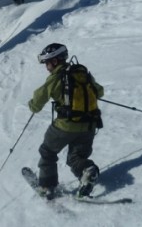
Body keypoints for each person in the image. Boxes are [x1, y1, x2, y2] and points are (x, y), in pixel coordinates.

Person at [28, 43, 104, 200]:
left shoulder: (56, 78)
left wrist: (32, 105)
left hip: (65, 126)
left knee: (47, 152)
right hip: (89, 125)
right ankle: (88, 171)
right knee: (76, 158)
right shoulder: (82, 73)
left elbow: (37, 101)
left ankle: (47, 187)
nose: (46, 67)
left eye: (47, 63)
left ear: (55, 61)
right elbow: (100, 91)